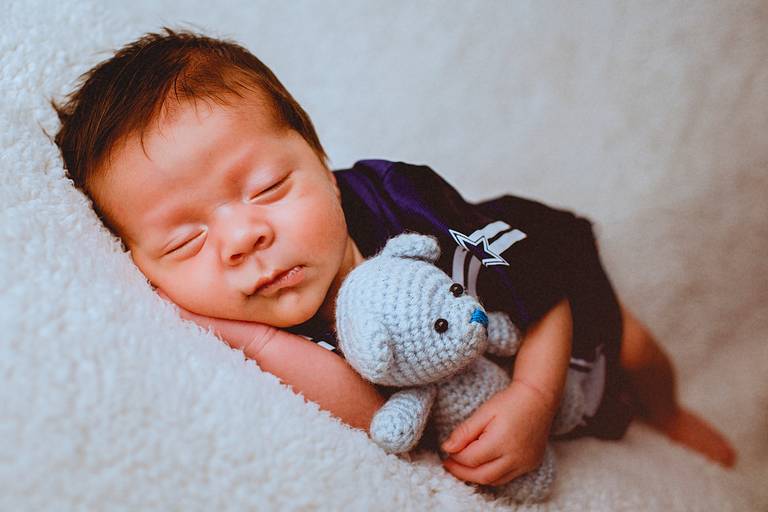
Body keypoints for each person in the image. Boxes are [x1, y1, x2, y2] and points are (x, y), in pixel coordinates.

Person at [50, 28, 736, 488]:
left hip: (552, 312)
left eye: (268, 188)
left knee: (636, 348)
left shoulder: (402, 202)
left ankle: (669, 413)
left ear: (321, 163)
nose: (243, 238)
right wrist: (248, 337)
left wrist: (531, 398)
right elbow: (369, 413)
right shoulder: (242, 329)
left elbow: (544, 287)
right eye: (184, 241)